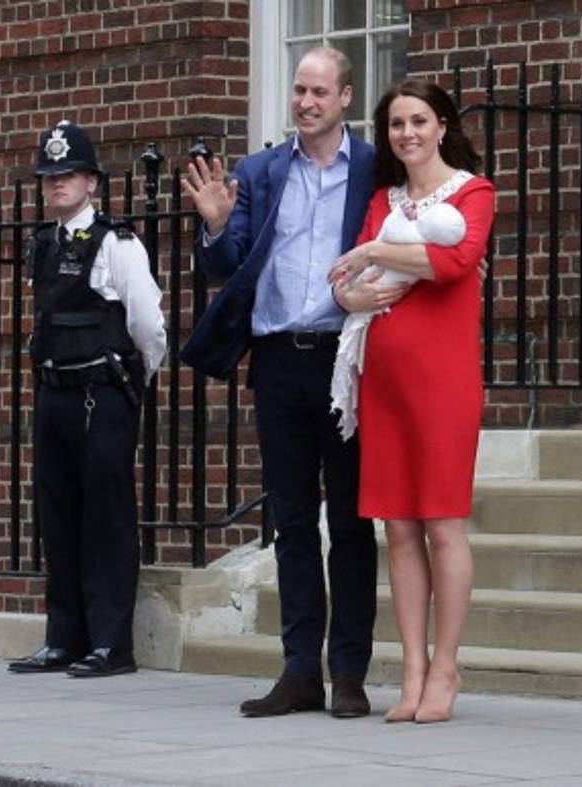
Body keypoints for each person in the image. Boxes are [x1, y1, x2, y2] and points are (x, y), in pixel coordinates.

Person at [179, 47, 407, 718]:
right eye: (299, 90)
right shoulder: (259, 171)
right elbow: (224, 264)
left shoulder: (372, 170)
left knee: (352, 520)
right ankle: (300, 668)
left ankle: (349, 673)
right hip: (277, 361)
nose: (305, 101)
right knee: (294, 523)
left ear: (343, 99)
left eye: (318, 91)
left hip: (344, 361)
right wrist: (218, 223)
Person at [328, 79, 495, 723]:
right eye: (397, 124)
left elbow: (456, 264)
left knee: (442, 523)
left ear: (443, 125)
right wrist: (350, 295)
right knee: (397, 526)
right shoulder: (381, 199)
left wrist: (375, 250)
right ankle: (413, 673)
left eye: (419, 120)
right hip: (385, 380)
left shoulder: (474, 193)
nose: (408, 133)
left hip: (444, 381)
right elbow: (346, 282)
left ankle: (447, 668)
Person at [8, 121, 167, 678]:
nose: (57, 185)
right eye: (50, 176)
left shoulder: (116, 242)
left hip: (102, 393)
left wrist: (134, 380)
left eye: (68, 174)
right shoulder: (44, 243)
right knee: (58, 517)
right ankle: (63, 638)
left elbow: (148, 322)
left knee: (106, 518)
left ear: (92, 181)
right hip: (55, 392)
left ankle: (109, 642)